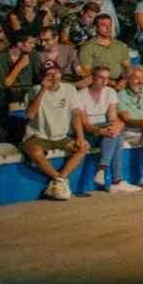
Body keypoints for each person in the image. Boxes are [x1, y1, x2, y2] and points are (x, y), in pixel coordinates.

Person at [20, 62, 90, 200]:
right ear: (42, 76)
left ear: (61, 73)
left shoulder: (69, 89)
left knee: (83, 147)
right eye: (49, 73)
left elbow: (76, 115)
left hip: (61, 136)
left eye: (56, 72)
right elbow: (30, 115)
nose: (53, 76)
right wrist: (43, 90)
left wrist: (80, 137)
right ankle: (60, 180)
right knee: (35, 152)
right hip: (37, 135)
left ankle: (58, 181)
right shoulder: (35, 90)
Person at [75, 65, 139, 192]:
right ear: (92, 77)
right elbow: (85, 124)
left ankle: (103, 170)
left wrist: (114, 127)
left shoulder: (110, 92)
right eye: (101, 78)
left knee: (115, 132)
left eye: (107, 78)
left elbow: (112, 118)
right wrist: (100, 131)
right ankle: (116, 181)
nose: (104, 81)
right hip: (89, 132)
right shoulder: (80, 95)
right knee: (116, 135)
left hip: (105, 130)